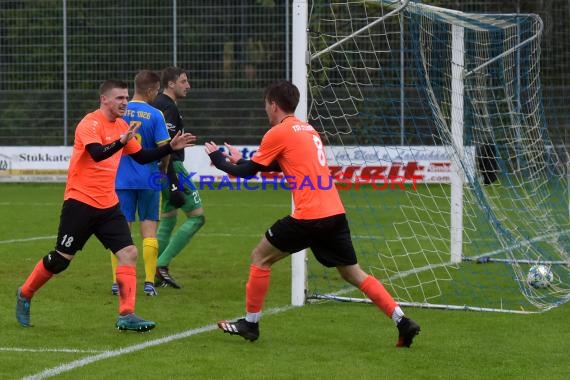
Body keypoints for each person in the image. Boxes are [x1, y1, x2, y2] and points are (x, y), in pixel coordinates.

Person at [204, 80, 421, 347]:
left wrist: (218, 160)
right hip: (334, 213)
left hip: (309, 216)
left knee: (260, 258)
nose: (266, 111)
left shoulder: (278, 132)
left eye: (265, 105)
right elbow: (281, 164)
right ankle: (402, 320)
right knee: (353, 273)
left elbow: (246, 174)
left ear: (273, 104)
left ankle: (250, 323)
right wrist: (240, 160)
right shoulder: (307, 130)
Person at [15, 79, 196, 332]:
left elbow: (142, 156)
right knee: (61, 259)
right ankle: (25, 293)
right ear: (104, 100)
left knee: (128, 253)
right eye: (119, 98)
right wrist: (121, 142)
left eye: (125, 97)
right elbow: (97, 153)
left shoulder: (122, 125)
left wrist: (169, 147)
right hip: (80, 202)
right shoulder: (89, 123)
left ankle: (127, 315)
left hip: (108, 204)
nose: (124, 102)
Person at [110, 70, 171, 297]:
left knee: (120, 232)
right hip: (148, 178)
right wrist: (162, 171)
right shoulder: (155, 115)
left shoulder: (118, 113)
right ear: (151, 90)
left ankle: (118, 283)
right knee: (149, 230)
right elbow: (164, 148)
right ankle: (147, 282)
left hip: (121, 179)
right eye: (156, 90)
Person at [150, 66, 205, 289]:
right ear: (171, 84)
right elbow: (167, 146)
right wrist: (173, 178)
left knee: (170, 217)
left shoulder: (157, 105)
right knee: (197, 217)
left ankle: (152, 271)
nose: (188, 85)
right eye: (183, 81)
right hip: (172, 167)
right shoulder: (168, 107)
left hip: (158, 169)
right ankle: (162, 265)